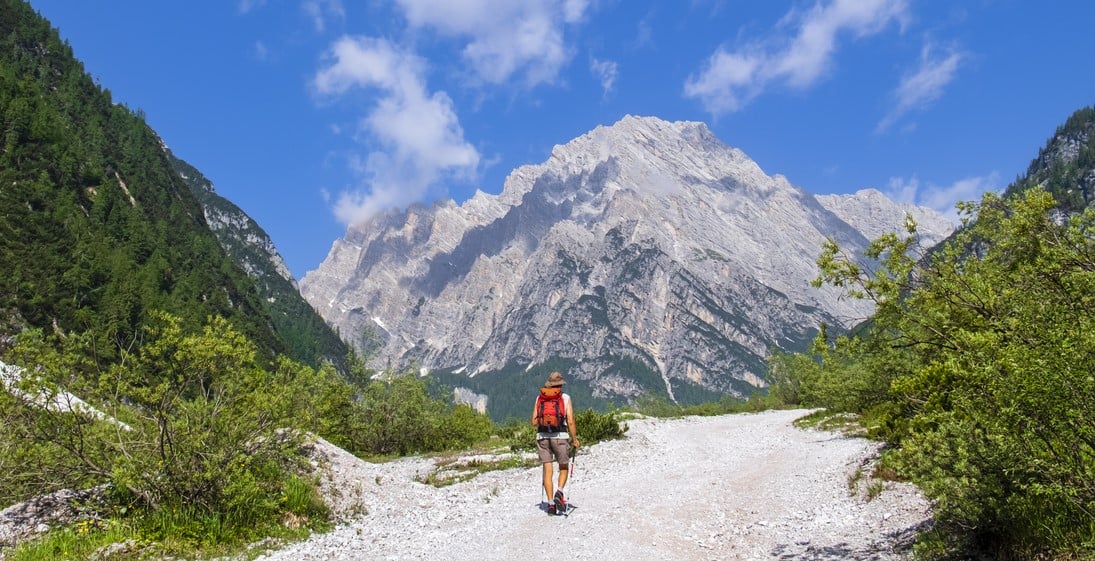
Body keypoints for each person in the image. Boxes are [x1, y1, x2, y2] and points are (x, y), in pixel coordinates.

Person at [531, 371, 580, 515]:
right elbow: (570, 420)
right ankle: (559, 492)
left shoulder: (539, 398)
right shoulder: (565, 398)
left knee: (547, 470)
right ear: (560, 384)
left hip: (542, 437)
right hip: (560, 436)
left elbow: (533, 422)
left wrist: (544, 420)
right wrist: (574, 439)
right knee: (563, 466)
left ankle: (551, 504)